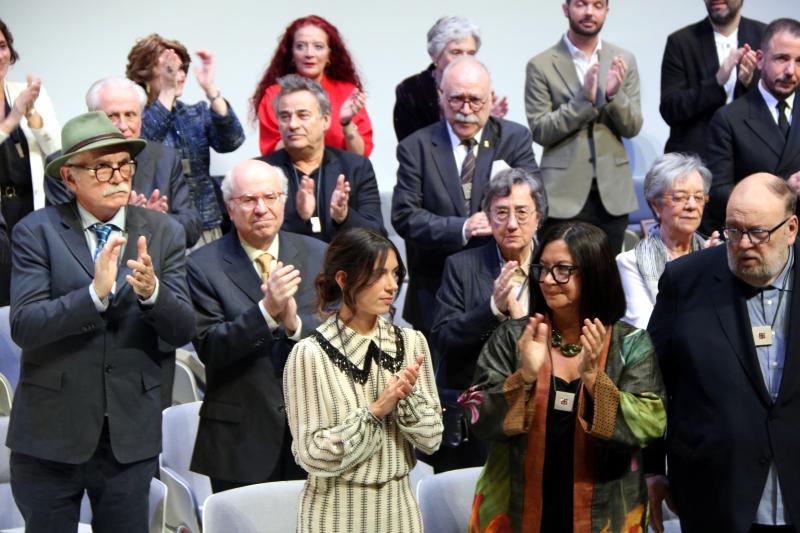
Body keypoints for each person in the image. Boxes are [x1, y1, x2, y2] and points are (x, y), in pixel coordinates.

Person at [6, 111, 195, 532]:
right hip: (50, 435)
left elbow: (183, 329)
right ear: (70, 179)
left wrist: (152, 294)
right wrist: (94, 295)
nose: (117, 176)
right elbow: (26, 325)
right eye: (101, 166)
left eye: (124, 164)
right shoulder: (36, 231)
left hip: (129, 435)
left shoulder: (163, 232)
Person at [466, 221, 666, 533]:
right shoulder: (514, 337)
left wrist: (592, 379)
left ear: (593, 273)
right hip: (517, 511)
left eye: (562, 270)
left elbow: (649, 423)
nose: (547, 280)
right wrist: (526, 375)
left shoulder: (630, 343)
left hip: (606, 511)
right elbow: (478, 417)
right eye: (542, 268)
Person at [647, 173, 800, 533]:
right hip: (714, 495)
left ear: (791, 228)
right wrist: (653, 468)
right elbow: (650, 379)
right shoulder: (685, 281)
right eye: (733, 230)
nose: (743, 244)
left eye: (758, 232)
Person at [283, 227, 442, 533]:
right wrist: (376, 411)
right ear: (343, 279)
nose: (392, 285)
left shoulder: (411, 343)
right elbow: (312, 455)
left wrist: (405, 400)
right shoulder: (309, 354)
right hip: (336, 513)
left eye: (395, 274)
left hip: (401, 510)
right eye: (379, 274)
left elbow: (432, 439)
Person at [187, 159, 325, 492]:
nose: (261, 208)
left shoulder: (319, 253)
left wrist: (294, 324)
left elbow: (340, 336)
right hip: (239, 440)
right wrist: (265, 311)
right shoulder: (201, 266)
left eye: (270, 197)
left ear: (284, 200)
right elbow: (211, 348)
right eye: (249, 200)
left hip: (315, 434)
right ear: (230, 208)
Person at [392, 57, 539, 340]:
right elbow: (404, 215)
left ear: (490, 98)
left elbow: (535, 197)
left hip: (502, 279)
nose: (466, 110)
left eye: (476, 101)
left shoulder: (514, 137)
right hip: (435, 291)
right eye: (457, 100)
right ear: (441, 97)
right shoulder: (416, 147)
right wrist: (462, 227)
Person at [430, 168, 546, 472]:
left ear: (538, 217)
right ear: (487, 216)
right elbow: (443, 338)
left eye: (521, 213)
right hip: (479, 418)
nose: (511, 224)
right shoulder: (461, 266)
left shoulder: (555, 266)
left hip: (543, 408)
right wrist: (491, 309)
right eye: (501, 213)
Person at [525, 0, 643, 254]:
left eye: (598, 5)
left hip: (612, 194)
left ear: (606, 11)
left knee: (607, 278)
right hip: (562, 195)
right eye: (581, 4)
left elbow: (632, 126)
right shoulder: (541, 64)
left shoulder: (624, 60)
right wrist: (583, 101)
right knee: (562, 273)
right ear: (566, 9)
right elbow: (540, 130)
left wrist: (613, 96)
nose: (590, 12)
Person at [45, 77, 203, 249]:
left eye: (130, 115)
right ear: (92, 117)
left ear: (141, 118)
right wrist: (128, 217)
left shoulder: (165, 158)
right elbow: (61, 233)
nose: (123, 125)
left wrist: (155, 220)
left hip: (154, 266)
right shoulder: (66, 164)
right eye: (112, 116)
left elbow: (192, 229)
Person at [126, 33, 245, 246]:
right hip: (157, 226)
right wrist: (168, 90)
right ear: (144, 73)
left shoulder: (194, 113)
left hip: (205, 225)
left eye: (181, 69)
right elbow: (144, 145)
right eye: (168, 69)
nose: (178, 76)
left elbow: (232, 140)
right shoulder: (131, 119)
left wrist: (211, 90)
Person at [260, 75, 385, 242]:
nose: (292, 125)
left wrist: (344, 216)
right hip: (287, 265)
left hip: (345, 263)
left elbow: (378, 235)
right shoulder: (263, 171)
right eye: (284, 117)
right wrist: (300, 217)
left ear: (325, 120)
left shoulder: (355, 167)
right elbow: (254, 235)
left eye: (302, 115)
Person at [704, 18, 800, 234]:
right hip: (755, 239)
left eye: (799, 61)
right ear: (759, 59)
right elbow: (718, 195)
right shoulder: (729, 118)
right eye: (782, 59)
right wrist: (784, 190)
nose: (791, 71)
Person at [616, 153, 718, 329]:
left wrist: (714, 264)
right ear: (656, 205)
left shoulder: (718, 255)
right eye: (679, 197)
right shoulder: (631, 263)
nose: (692, 206)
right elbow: (647, 330)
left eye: (699, 197)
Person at [253, 15, 373, 157]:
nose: (309, 53)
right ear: (291, 55)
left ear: (330, 55)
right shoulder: (274, 95)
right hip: (291, 176)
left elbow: (360, 157)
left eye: (318, 47)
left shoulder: (347, 93)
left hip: (342, 177)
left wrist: (346, 124)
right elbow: (271, 156)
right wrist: (299, 128)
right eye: (300, 46)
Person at [660, 0, 765, 159]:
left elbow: (780, 104)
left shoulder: (765, 37)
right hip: (695, 161)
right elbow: (670, 110)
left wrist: (748, 83)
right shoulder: (681, 41)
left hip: (751, 157)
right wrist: (716, 81)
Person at [393, 15, 508, 142]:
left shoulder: (481, 87)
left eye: (471, 53)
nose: (465, 59)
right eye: (456, 52)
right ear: (435, 55)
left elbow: (490, 146)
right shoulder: (411, 90)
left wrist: (489, 122)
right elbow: (411, 147)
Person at [0, 18, 60, 237]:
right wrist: (11, 119)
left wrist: (30, 113)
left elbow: (56, 151)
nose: (0, 56)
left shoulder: (29, 93)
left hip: (31, 207)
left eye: (2, 46)